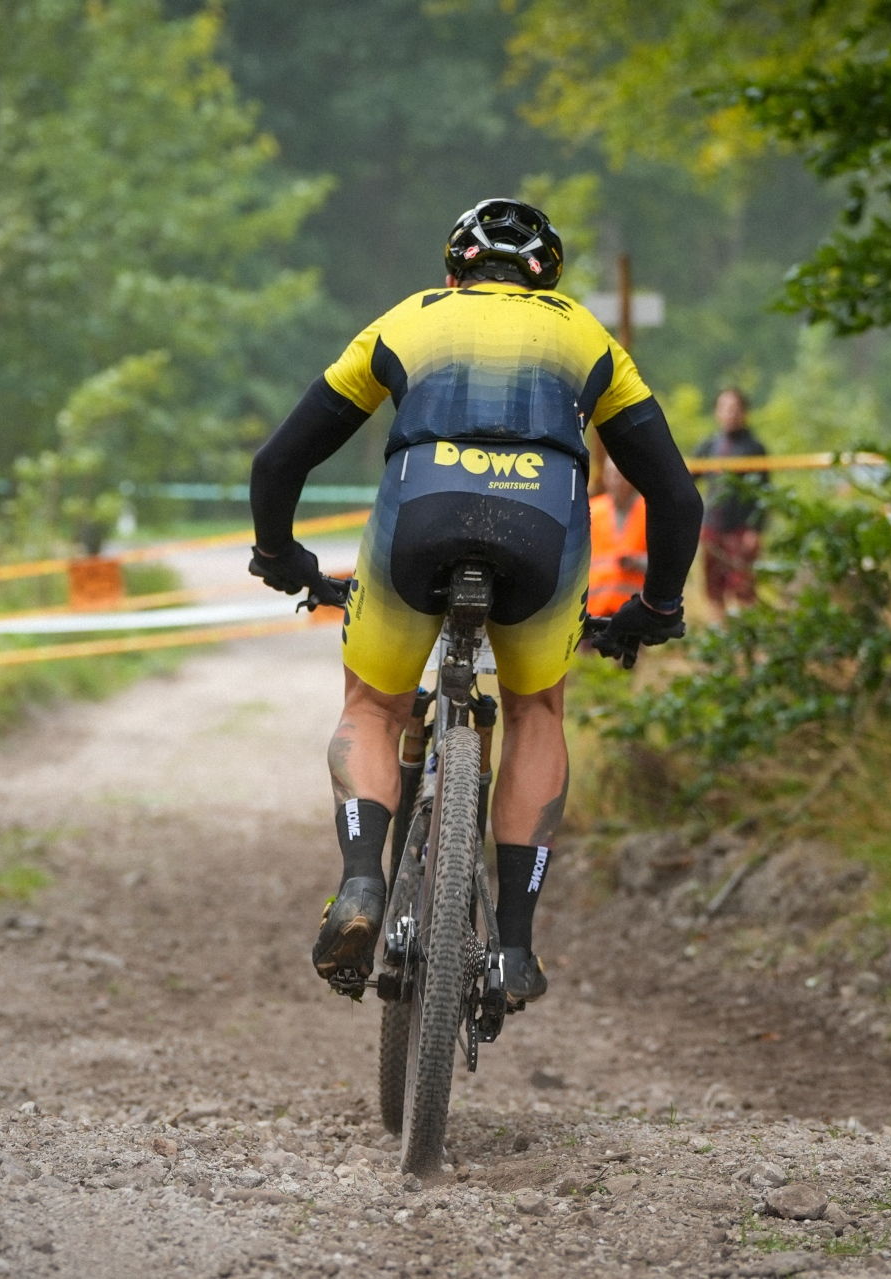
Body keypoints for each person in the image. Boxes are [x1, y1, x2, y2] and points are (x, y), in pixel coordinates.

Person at [246, 198, 702, 1005]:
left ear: (455, 271)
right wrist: (658, 606)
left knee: (375, 706)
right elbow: (675, 495)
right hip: (543, 533)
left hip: (418, 521)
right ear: (545, 279)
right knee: (537, 711)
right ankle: (515, 948)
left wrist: (282, 556)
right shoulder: (587, 336)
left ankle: (362, 880)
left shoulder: (409, 320)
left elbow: (279, 460)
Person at [691, 387, 770, 614]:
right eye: (725, 408)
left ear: (744, 412)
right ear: (717, 412)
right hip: (712, 528)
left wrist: (755, 529)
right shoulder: (708, 446)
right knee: (713, 587)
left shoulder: (754, 448)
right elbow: (687, 481)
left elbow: (763, 492)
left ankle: (745, 631)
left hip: (740, 530)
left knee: (742, 587)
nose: (730, 414)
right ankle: (720, 629)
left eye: (735, 409)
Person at [586, 459, 648, 619]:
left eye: (621, 476)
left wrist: (637, 562)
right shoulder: (591, 511)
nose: (617, 481)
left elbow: (665, 563)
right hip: (593, 612)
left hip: (633, 612)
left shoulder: (649, 512)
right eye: (612, 475)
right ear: (605, 477)